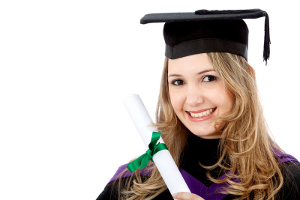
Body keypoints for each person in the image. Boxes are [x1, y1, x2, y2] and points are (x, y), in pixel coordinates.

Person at [96, 9, 300, 200]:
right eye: (178, 82)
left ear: (246, 79)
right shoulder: (133, 182)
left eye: (209, 78)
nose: (192, 99)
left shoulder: (287, 182)